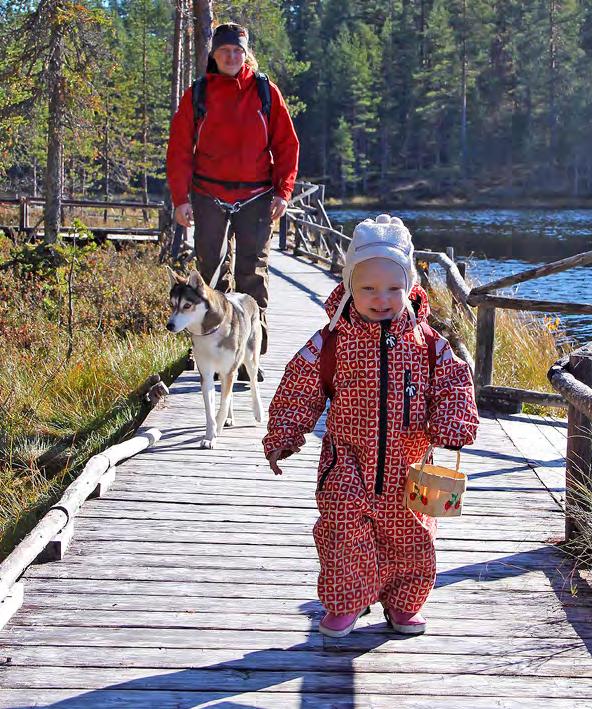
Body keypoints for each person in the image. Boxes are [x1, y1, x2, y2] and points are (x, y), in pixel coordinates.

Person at [263, 215, 479, 637]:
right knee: (342, 529)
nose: (381, 298)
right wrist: (284, 434)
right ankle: (347, 600)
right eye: (368, 288)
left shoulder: (430, 345)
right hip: (347, 462)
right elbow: (298, 386)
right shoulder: (331, 341)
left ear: (411, 287)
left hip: (409, 465)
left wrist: (452, 421)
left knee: (412, 539)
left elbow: (454, 385)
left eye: (393, 288)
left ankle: (403, 603)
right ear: (348, 287)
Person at [166, 22, 299, 368]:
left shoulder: (265, 93)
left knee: (251, 272)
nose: (231, 56)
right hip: (209, 194)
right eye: (224, 50)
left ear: (245, 54)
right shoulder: (198, 94)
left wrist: (283, 192)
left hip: (256, 196)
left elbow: (286, 145)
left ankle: (251, 354)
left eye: (237, 51)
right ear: (214, 54)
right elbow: (180, 150)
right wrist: (181, 198)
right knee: (211, 269)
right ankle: (215, 345)